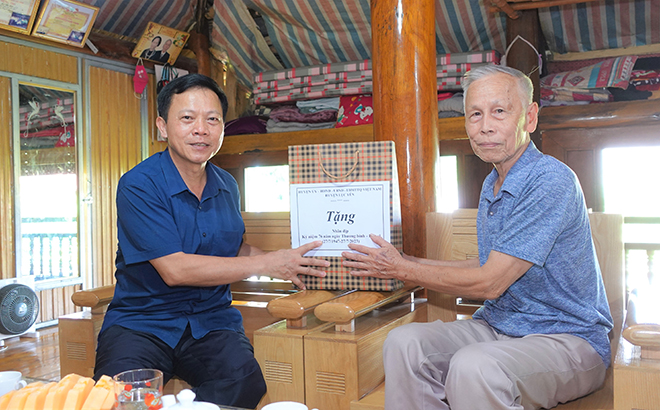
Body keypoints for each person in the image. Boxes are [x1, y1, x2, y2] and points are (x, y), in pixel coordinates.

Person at [342, 65, 613, 410]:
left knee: (475, 366)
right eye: (475, 114)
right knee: (404, 342)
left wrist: (401, 270)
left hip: (568, 339)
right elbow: (492, 264)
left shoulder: (550, 180)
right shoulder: (492, 183)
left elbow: (490, 282)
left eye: (499, 111)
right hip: (500, 325)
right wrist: (404, 261)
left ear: (529, 118)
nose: (485, 126)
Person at [93, 74, 329, 409]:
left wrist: (286, 263)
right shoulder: (138, 185)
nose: (201, 129)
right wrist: (267, 264)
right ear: (162, 126)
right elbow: (175, 270)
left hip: (211, 322)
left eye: (212, 119)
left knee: (244, 381)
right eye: (187, 118)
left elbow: (232, 247)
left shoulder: (227, 185)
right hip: (142, 323)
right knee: (118, 396)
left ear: (221, 128)